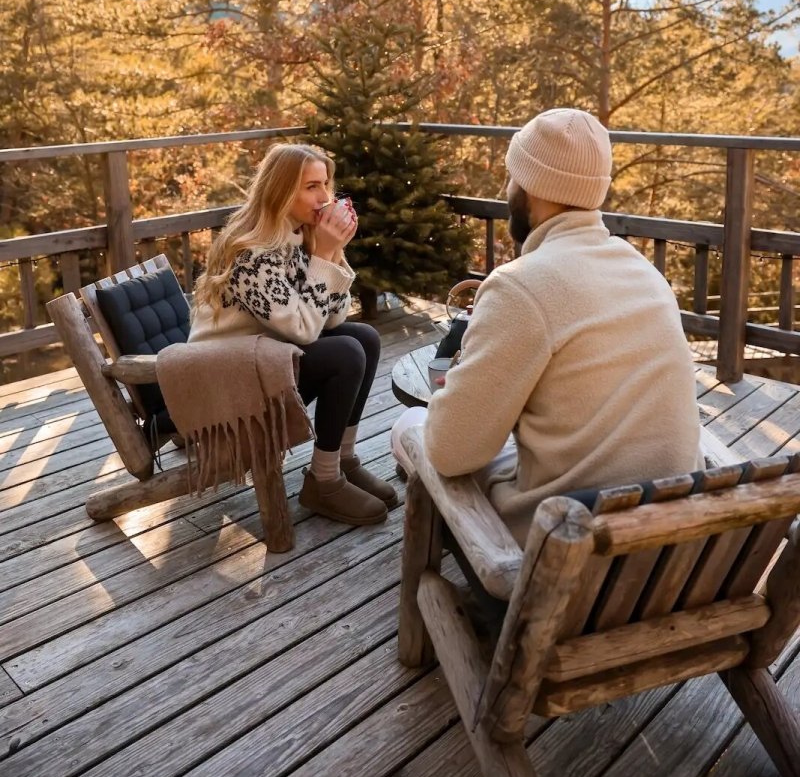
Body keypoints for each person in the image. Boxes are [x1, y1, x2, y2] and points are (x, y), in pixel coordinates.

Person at [392, 107, 702, 546]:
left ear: (532, 187)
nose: (507, 190)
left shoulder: (519, 286)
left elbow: (449, 451)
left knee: (410, 425)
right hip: (676, 539)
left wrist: (454, 392)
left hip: (568, 546)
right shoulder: (643, 271)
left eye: (512, 177)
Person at [190, 142, 397, 526]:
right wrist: (324, 256)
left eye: (326, 184)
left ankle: (340, 461)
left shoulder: (297, 236)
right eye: (311, 187)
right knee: (346, 353)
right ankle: (324, 482)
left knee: (364, 338)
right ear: (281, 191)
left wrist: (331, 253)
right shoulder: (252, 252)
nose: (325, 198)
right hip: (226, 381)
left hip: (264, 358)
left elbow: (331, 319)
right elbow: (304, 331)